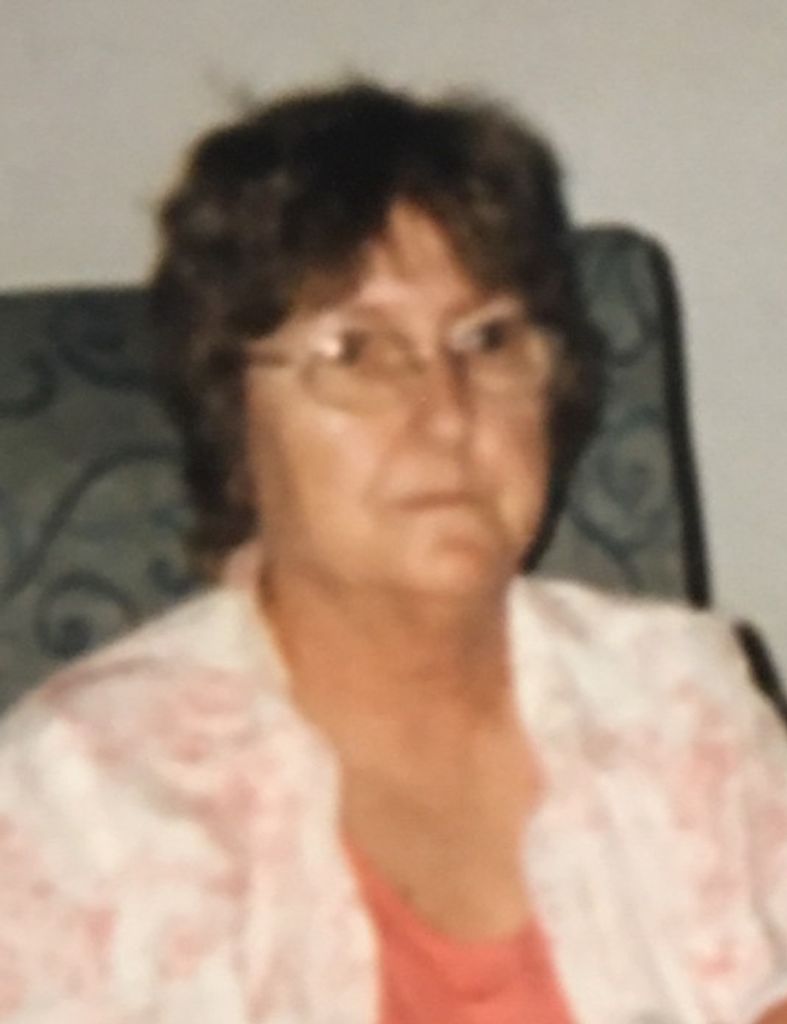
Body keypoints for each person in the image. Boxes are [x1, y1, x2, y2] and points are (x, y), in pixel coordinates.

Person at [0, 80, 785, 1024]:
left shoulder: (681, 701)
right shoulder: (83, 796)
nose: (447, 413)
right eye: (356, 353)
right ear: (232, 422)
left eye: (487, 338)